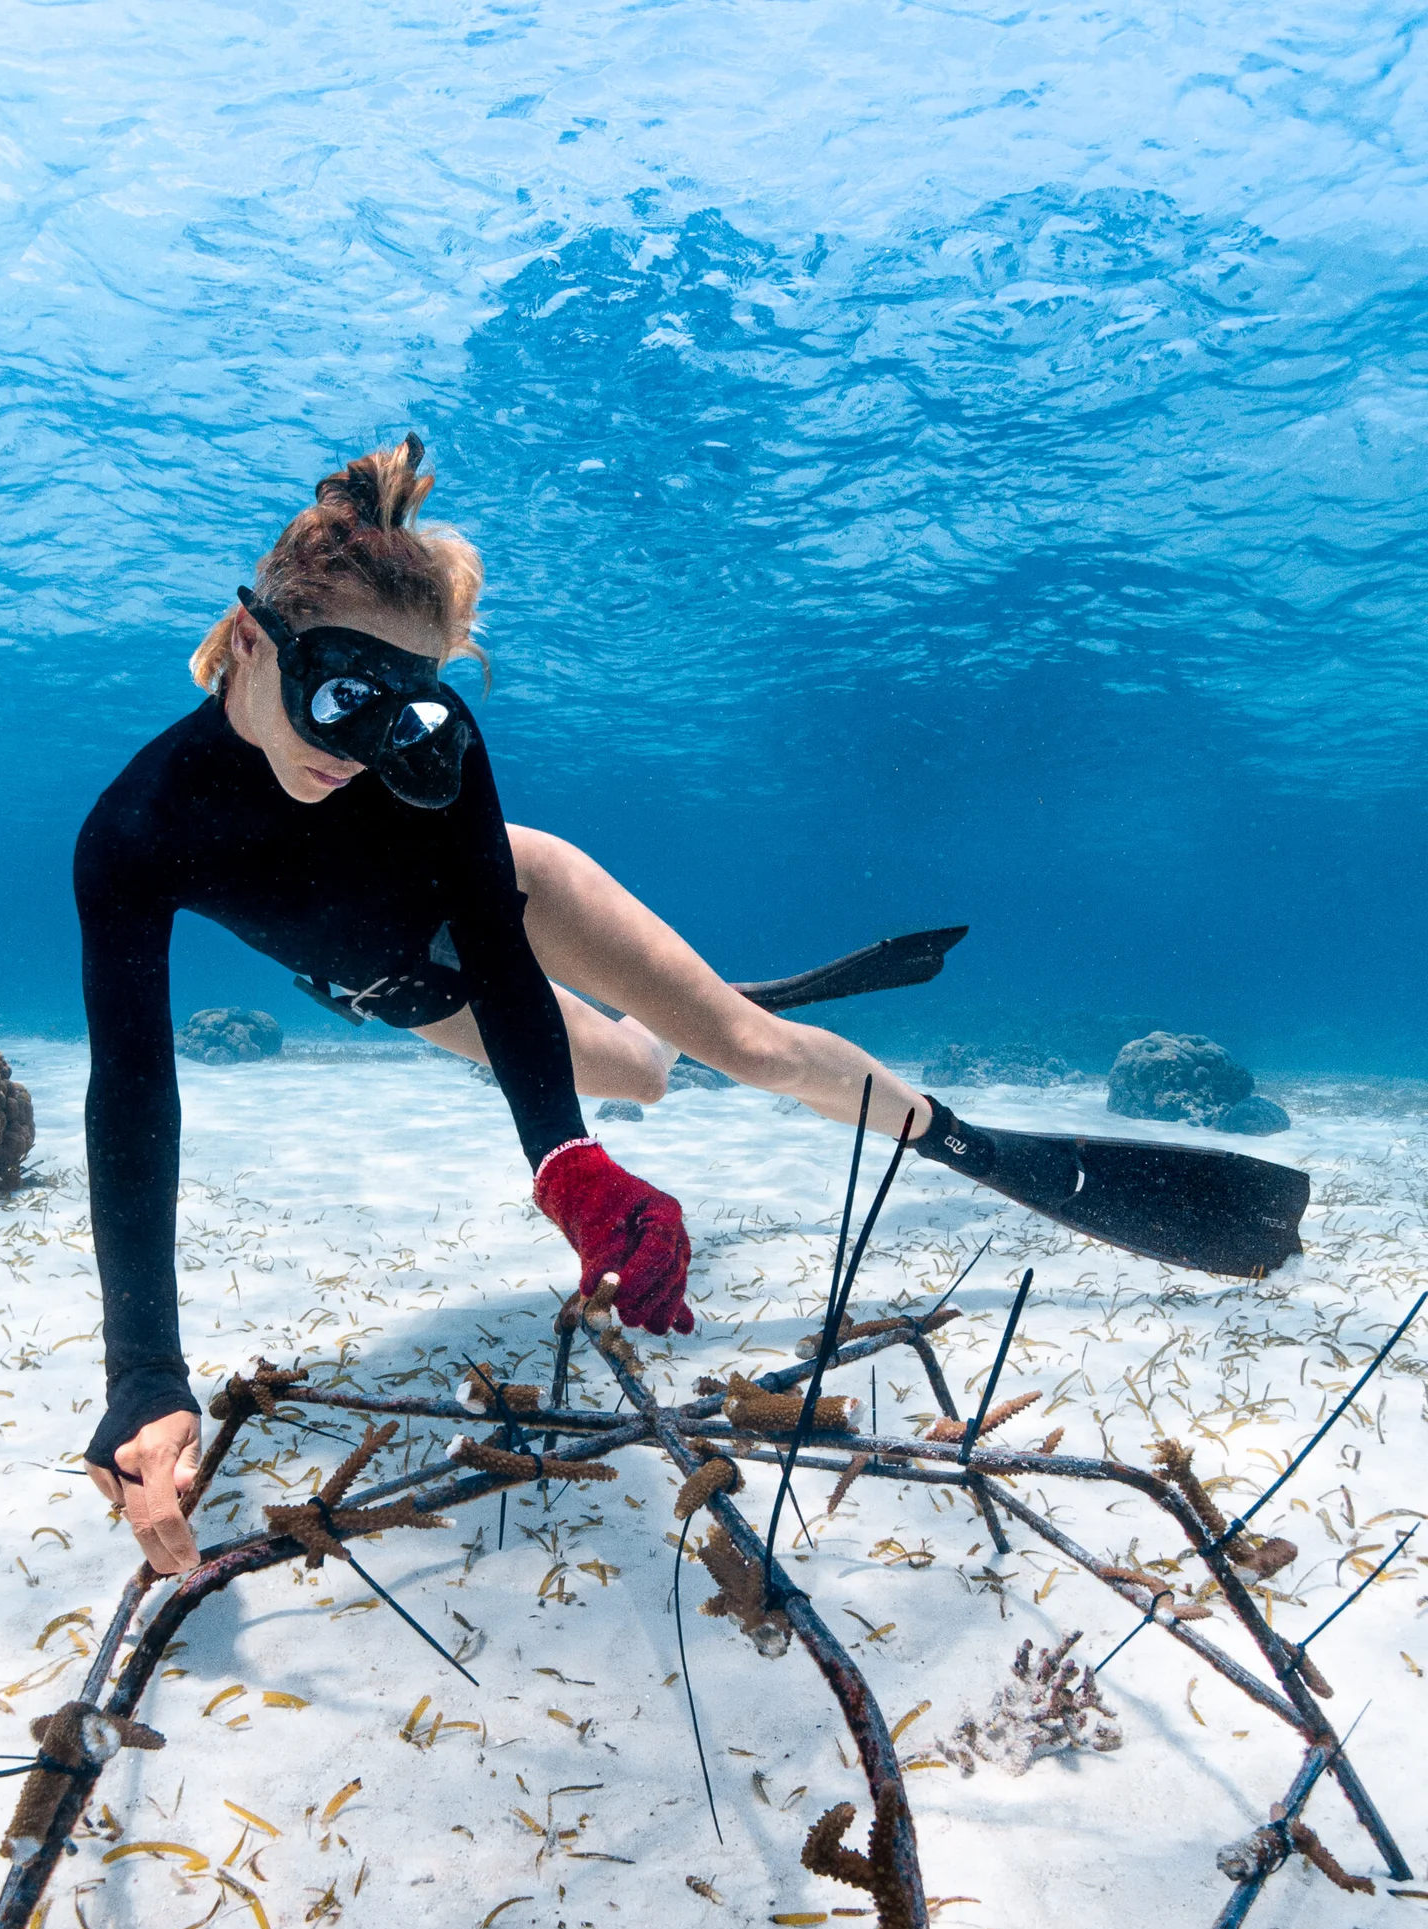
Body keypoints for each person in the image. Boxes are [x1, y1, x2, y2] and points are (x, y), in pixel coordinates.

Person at [78, 435, 938, 1577]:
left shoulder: (443, 748)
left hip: (515, 904)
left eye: (407, 710)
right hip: (404, 988)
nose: (367, 748)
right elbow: (133, 1085)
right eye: (343, 694)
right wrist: (144, 1370)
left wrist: (566, 1167)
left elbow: (498, 946)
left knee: (749, 1050)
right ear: (250, 637)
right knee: (642, 1076)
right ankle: (670, 1007)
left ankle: (942, 1130)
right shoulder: (136, 828)